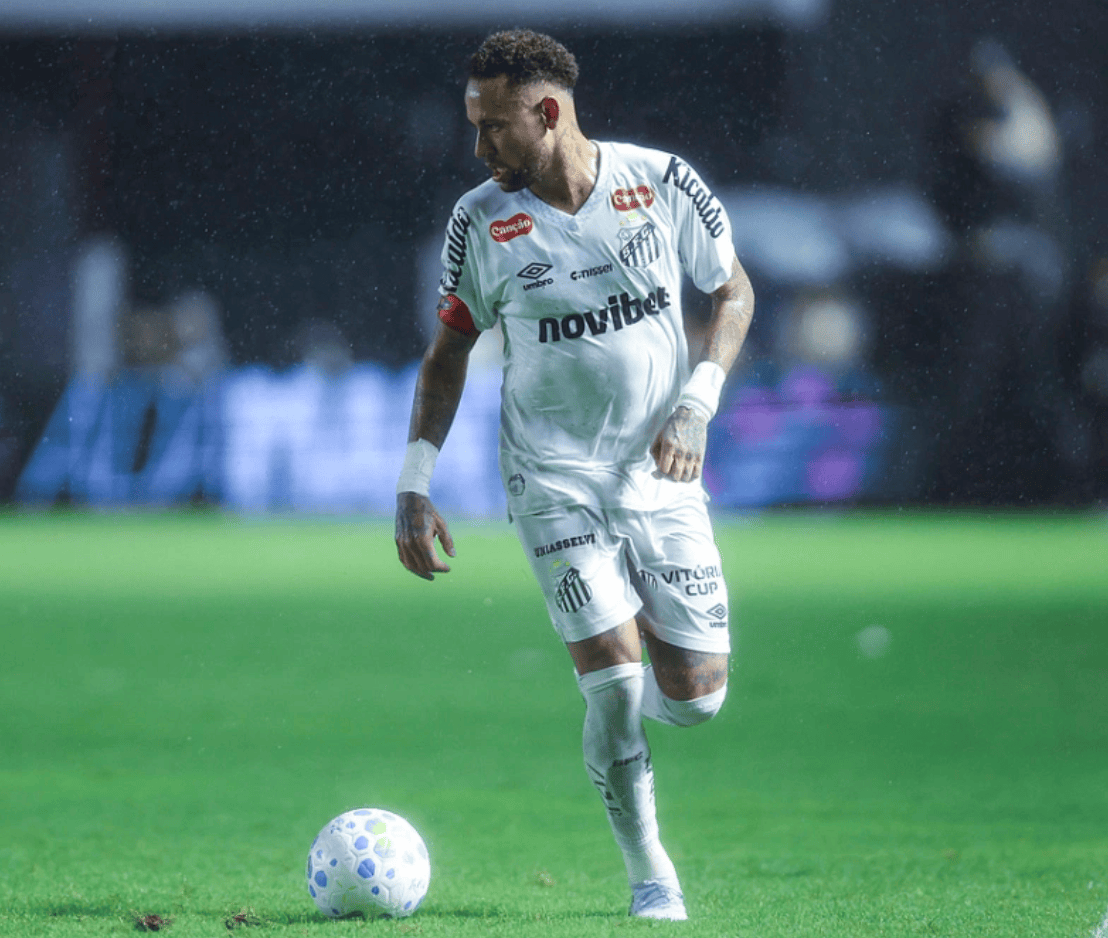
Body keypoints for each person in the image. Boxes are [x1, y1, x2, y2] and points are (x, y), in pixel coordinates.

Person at [394, 29, 754, 920]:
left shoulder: (661, 183)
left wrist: (697, 403)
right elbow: (448, 355)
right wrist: (413, 481)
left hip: (659, 472)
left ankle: (633, 680)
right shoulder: (481, 221)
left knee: (697, 698)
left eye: (493, 127)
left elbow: (733, 291)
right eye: (474, 127)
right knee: (616, 683)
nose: (479, 147)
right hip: (551, 478)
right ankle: (651, 874)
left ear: (548, 112)